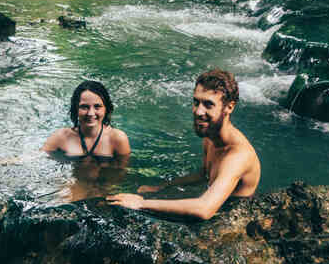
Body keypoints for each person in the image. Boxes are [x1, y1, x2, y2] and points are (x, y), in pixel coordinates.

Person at [107, 68, 259, 220]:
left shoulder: (237, 156)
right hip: (217, 209)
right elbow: (205, 174)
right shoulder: (210, 135)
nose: (198, 111)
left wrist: (141, 203)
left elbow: (204, 210)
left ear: (229, 107)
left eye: (208, 104)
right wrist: (162, 187)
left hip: (233, 220)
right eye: (196, 102)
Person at [0, 80, 131, 170]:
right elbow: (34, 157)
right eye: (84, 107)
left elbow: (120, 173)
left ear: (106, 108)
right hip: (76, 183)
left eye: (97, 106)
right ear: (75, 108)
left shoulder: (118, 138)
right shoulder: (62, 137)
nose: (91, 113)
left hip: (104, 187)